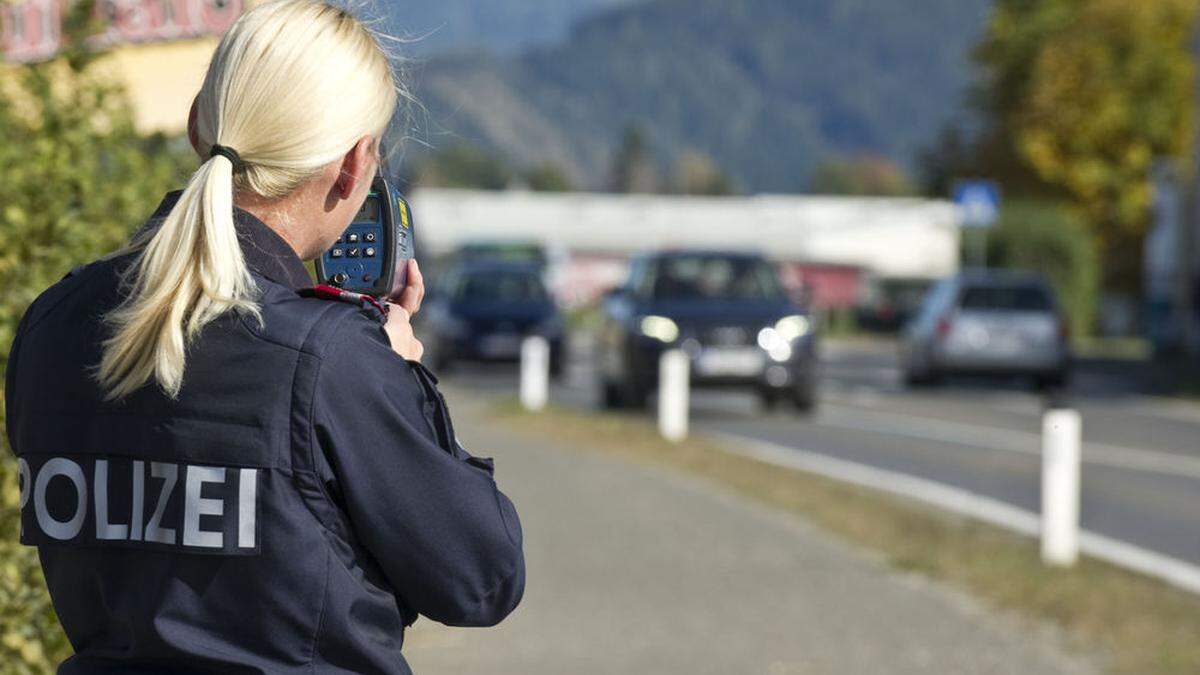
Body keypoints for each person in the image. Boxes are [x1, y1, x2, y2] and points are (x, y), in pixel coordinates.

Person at [4, 1, 524, 672]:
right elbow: (482, 575)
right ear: (353, 164)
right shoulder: (331, 358)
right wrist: (401, 372)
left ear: (197, 126)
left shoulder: (51, 326)